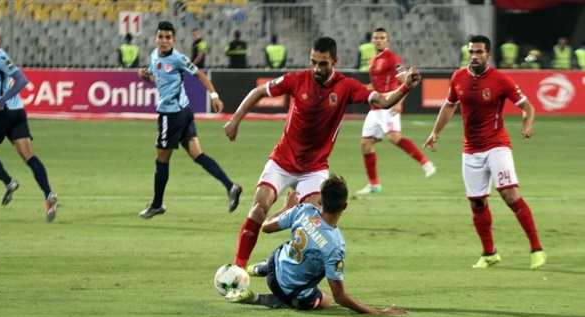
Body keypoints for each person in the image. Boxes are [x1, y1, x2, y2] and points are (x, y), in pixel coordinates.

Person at [224, 36, 422, 268]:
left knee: (314, 224)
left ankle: (279, 267)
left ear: (334, 61)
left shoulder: (346, 87)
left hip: (314, 169)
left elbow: (383, 100)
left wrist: (405, 86)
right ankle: (238, 270)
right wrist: (235, 120)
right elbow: (259, 91)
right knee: (258, 210)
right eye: (313, 62)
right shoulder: (297, 80)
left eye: (323, 63)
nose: (317, 68)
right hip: (282, 161)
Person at [422, 35, 546, 270]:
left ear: (488, 55)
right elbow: (449, 105)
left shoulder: (501, 80)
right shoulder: (458, 77)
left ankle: (536, 248)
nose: (474, 56)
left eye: (479, 52)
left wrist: (526, 123)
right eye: (471, 52)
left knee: (510, 196)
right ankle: (489, 253)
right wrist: (435, 132)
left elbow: (527, 107)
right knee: (477, 203)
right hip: (471, 150)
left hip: (497, 146)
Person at [226, 174, 408, 315]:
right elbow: (340, 297)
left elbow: (265, 227)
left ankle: (260, 268)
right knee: (325, 300)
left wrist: (287, 208)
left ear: (320, 201)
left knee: (290, 249)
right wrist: (376, 312)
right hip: (287, 289)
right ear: (344, 206)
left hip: (276, 262)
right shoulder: (335, 245)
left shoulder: (304, 210)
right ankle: (258, 298)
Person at [137, 21, 242, 219]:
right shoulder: (153, 55)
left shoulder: (178, 59)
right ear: (156, 38)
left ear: (174, 40)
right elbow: (157, 80)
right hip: (184, 112)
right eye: (161, 37)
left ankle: (157, 204)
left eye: (168, 37)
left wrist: (214, 96)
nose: (164, 41)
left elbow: (200, 74)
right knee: (197, 154)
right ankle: (231, 186)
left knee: (161, 159)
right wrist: (145, 77)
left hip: (172, 114)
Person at [0, 26, 58, 222]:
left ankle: (9, 182)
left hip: (2, 114)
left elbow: (22, 80)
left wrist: (1, 100)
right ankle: (49, 195)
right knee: (30, 158)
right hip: (17, 113)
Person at [356, 27, 435, 195]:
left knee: (393, 137)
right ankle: (374, 185)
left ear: (387, 41)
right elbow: (376, 84)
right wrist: (363, 89)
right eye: (376, 37)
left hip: (388, 104)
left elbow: (406, 81)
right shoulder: (373, 60)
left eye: (382, 38)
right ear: (372, 41)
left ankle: (426, 163)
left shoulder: (392, 58)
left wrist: (398, 102)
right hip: (375, 107)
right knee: (365, 144)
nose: (378, 40)